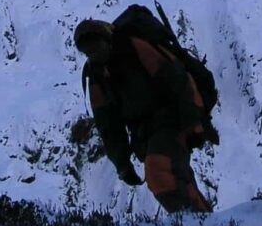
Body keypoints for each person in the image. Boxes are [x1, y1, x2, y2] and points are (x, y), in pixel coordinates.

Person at [75, 13, 212, 213]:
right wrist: (122, 164)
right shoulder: (97, 75)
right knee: (172, 175)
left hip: (172, 120)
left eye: (95, 46)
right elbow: (109, 125)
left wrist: (195, 123)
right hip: (146, 133)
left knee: (160, 170)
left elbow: (178, 80)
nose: (94, 54)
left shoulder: (133, 47)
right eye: (88, 52)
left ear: (106, 39)